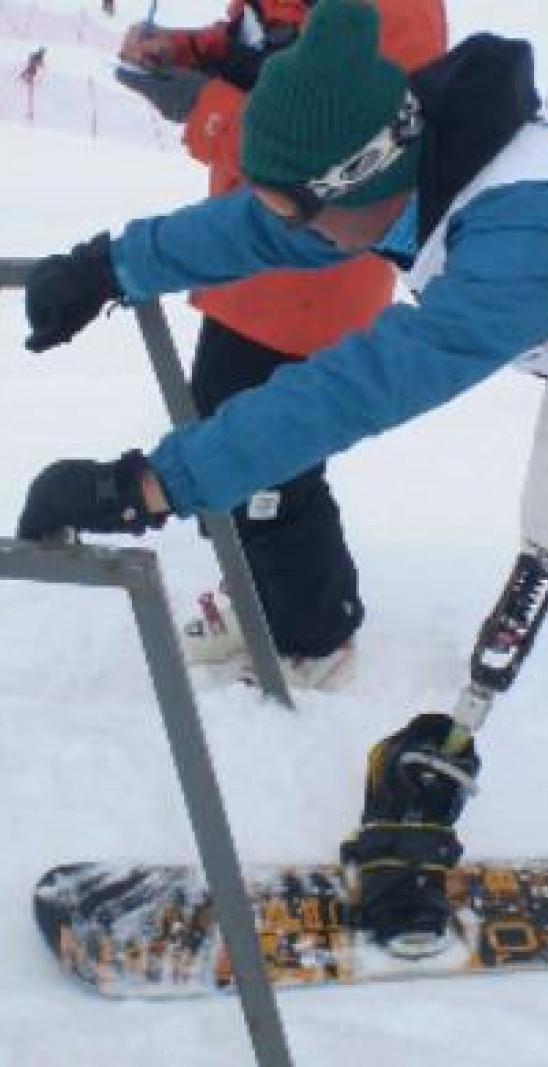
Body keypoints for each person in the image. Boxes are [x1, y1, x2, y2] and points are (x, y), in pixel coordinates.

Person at [19, 0, 548, 946]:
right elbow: (265, 228)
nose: (285, 232)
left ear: (355, 185)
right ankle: (462, 728)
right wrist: (112, 264)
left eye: (298, 209)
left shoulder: (527, 242)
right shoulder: (404, 163)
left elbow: (359, 387)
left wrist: (154, 482)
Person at [109, 0, 448, 688]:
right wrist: (188, 51)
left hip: (318, 264)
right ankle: (257, 591)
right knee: (215, 421)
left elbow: (358, 159)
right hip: (250, 252)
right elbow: (260, 44)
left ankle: (315, 632)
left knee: (271, 456)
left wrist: (205, 109)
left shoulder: (395, 10)